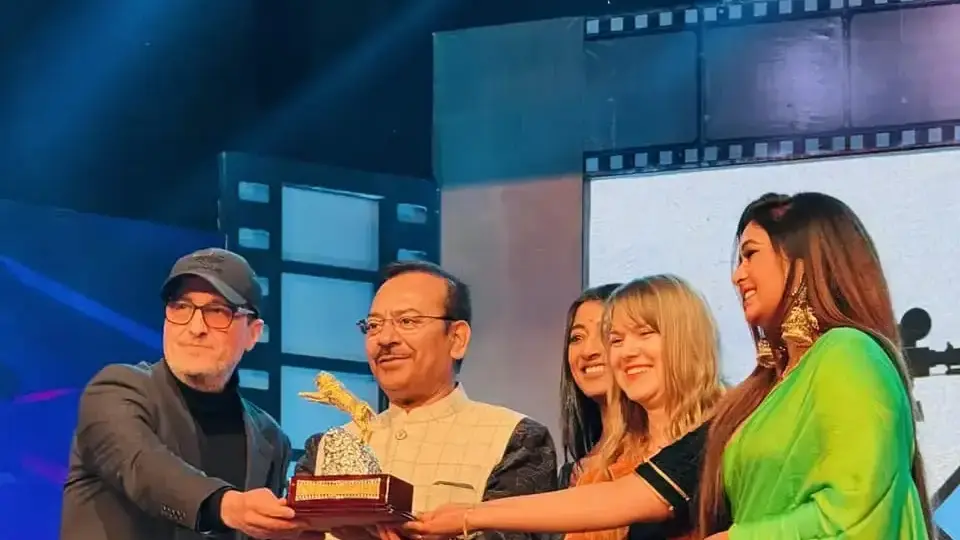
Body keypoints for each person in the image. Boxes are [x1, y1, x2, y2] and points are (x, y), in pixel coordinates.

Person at [407, 275, 723, 540]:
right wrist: (465, 516)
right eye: (616, 340)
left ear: (686, 337)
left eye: (644, 333)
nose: (626, 352)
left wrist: (470, 515)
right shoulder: (596, 471)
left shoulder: (722, 434)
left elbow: (629, 498)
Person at [696, 192, 935, 539]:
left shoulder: (849, 353)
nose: (738, 275)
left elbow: (858, 514)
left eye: (751, 254)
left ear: (802, 262)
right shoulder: (763, 390)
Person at [295, 261, 558, 540]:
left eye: (407, 321)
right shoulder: (325, 447)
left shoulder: (516, 439)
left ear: (457, 338)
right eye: (373, 325)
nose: (385, 338)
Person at [60, 248, 300, 540]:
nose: (195, 328)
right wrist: (227, 505)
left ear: (253, 333)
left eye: (217, 311)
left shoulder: (270, 438)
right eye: (182, 307)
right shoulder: (115, 391)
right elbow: (143, 466)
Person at [558, 284, 644, 540]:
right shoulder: (569, 474)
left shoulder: (666, 454)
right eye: (577, 338)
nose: (588, 351)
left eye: (607, 334)